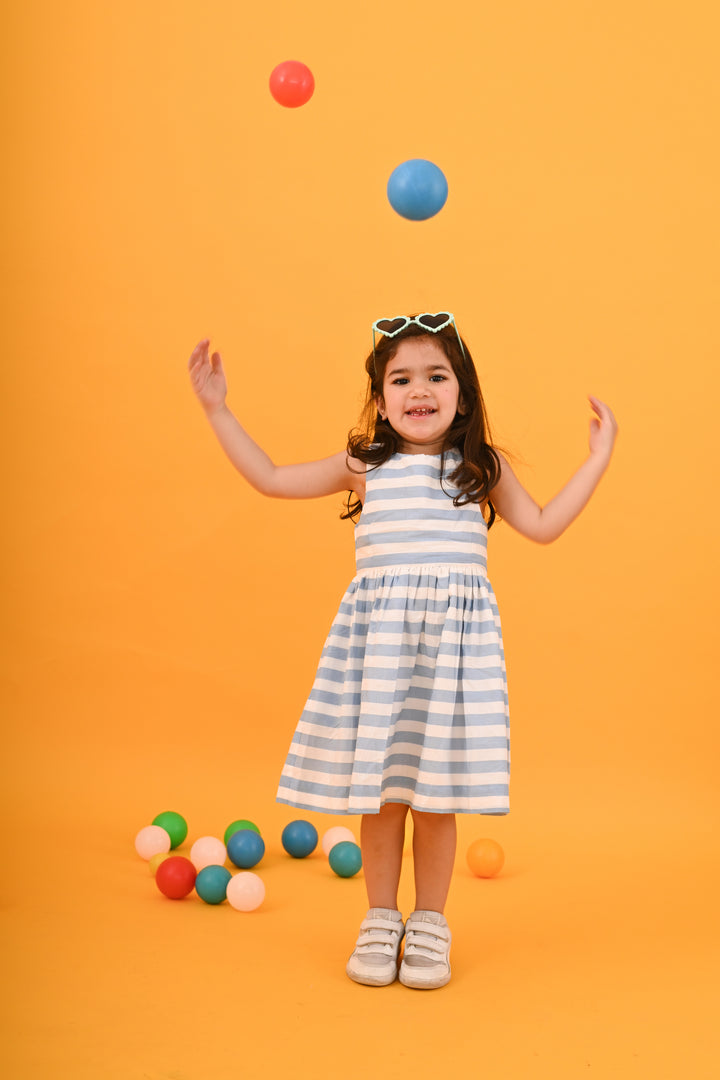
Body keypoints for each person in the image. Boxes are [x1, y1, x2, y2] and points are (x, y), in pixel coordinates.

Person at [188, 312, 618, 990]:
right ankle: (380, 918)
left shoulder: (480, 469)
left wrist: (595, 459)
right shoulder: (369, 466)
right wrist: (218, 410)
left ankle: (430, 924)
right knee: (383, 795)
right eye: (402, 379)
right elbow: (270, 476)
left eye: (436, 376)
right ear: (381, 399)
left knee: (435, 799)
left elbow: (543, 525)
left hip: (451, 663)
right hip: (381, 656)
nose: (420, 390)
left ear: (463, 393)